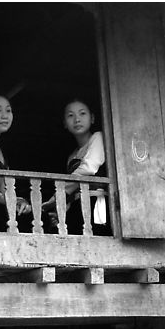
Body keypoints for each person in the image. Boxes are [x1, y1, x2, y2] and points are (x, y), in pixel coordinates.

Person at [42, 99, 110, 235]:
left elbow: (89, 169)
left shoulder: (98, 137)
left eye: (82, 114)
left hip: (95, 203)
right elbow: (74, 191)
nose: (77, 119)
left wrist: (60, 193)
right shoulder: (72, 156)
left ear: (92, 118)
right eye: (70, 115)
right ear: (65, 124)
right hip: (78, 207)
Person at [0, 94, 32, 232]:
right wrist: (2, 199)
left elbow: (5, 189)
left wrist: (19, 201)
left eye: (8, 110)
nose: (5, 116)